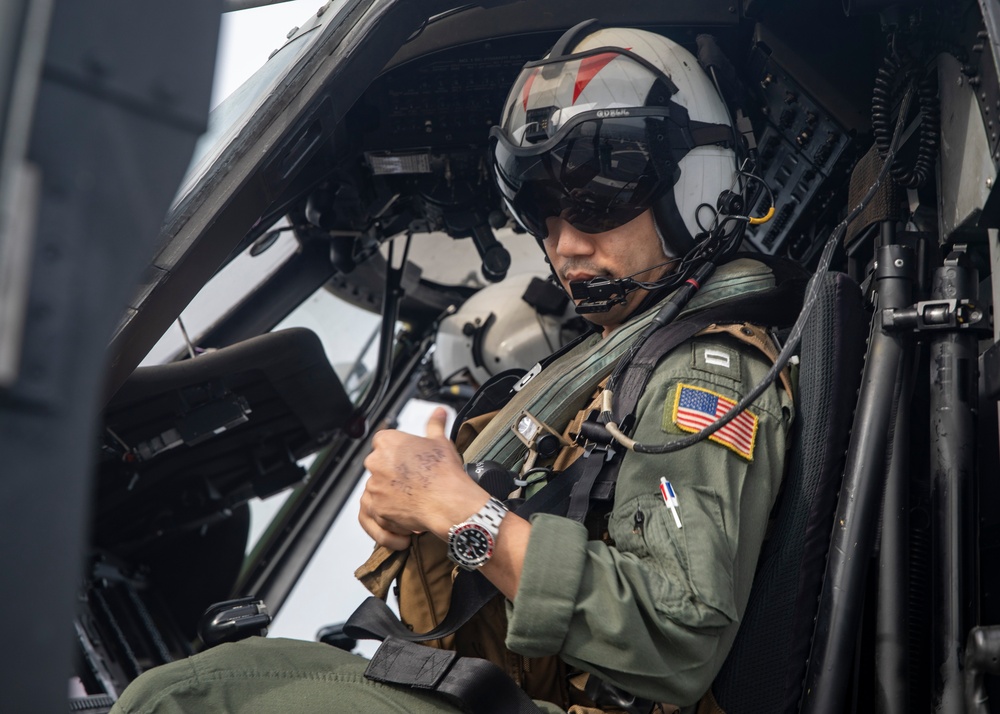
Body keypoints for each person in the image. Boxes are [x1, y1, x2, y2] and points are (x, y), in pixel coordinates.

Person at [110, 24, 794, 714]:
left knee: (187, 704)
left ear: (695, 184)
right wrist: (430, 507)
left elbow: (672, 634)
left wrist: (459, 509)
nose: (566, 246)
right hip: (507, 686)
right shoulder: (618, 362)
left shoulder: (705, 375)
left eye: (595, 203)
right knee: (218, 675)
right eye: (544, 216)